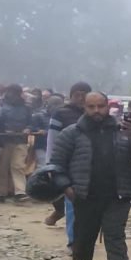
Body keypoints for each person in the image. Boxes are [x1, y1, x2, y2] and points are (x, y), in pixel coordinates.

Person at [50, 92, 131, 260]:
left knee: (115, 237)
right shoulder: (72, 133)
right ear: (84, 108)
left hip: (117, 195)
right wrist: (66, 187)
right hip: (85, 195)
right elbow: (56, 164)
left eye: (101, 106)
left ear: (107, 107)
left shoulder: (123, 131)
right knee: (84, 237)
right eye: (91, 107)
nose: (97, 111)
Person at [45, 82, 92, 240]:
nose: (81, 98)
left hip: (90, 165)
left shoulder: (94, 113)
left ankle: (85, 238)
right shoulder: (61, 114)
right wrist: (50, 165)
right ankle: (74, 241)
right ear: (71, 96)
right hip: (68, 163)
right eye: (77, 95)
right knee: (72, 202)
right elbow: (52, 140)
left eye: (84, 95)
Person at [0, 84, 36, 200]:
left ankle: (20, 192)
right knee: (2, 167)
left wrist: (28, 128)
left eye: (14, 93)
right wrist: (4, 130)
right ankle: (0, 192)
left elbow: (31, 123)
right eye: (10, 92)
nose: (11, 95)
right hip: (4, 140)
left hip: (21, 139)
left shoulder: (26, 108)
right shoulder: (1, 106)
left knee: (18, 165)